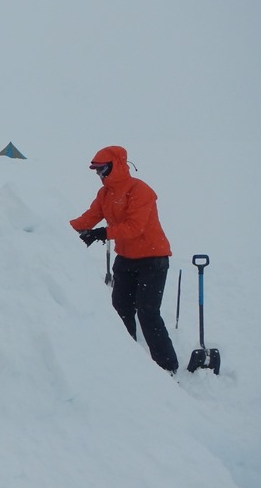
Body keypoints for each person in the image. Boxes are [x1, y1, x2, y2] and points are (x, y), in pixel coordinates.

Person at [70, 146, 179, 374]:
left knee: (147, 312)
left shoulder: (140, 191)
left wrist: (101, 233)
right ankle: (128, 364)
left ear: (115, 166)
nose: (99, 175)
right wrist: (54, 228)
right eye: (96, 171)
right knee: (120, 311)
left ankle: (167, 366)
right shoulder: (105, 194)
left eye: (102, 169)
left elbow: (135, 227)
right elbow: (88, 218)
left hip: (153, 259)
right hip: (126, 259)